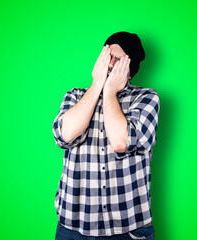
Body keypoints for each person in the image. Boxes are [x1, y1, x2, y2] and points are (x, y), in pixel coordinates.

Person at [52, 31, 160, 240]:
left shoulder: (146, 98)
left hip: (129, 229)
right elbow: (66, 135)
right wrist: (96, 86)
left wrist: (110, 93)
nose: (110, 64)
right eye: (107, 56)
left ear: (129, 70)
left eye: (118, 60)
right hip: (73, 227)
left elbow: (121, 141)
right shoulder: (74, 96)